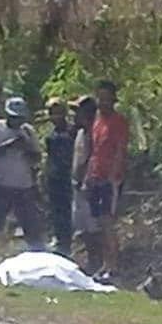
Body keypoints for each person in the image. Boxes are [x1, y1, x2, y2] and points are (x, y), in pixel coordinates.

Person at [0, 96, 45, 260]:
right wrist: (9, 145)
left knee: (31, 226)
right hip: (0, 184)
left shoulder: (28, 131)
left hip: (23, 186)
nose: (17, 121)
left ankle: (40, 260)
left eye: (20, 118)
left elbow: (37, 158)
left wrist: (27, 147)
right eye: (14, 117)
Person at [85, 81, 129, 283]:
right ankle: (105, 263)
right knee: (100, 224)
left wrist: (113, 177)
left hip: (109, 180)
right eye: (100, 98)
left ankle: (114, 267)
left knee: (108, 222)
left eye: (106, 98)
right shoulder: (96, 120)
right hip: (95, 176)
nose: (103, 102)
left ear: (113, 99)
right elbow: (94, 150)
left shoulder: (118, 121)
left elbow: (120, 149)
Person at [71, 96, 101, 274]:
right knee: (82, 227)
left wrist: (86, 180)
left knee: (93, 227)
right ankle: (91, 261)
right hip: (77, 184)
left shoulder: (94, 132)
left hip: (88, 185)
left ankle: (97, 262)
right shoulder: (80, 132)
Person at [45, 98, 75, 256]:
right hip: (54, 177)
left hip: (68, 178)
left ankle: (67, 245)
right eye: (52, 113)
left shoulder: (72, 131)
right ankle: (59, 241)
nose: (55, 116)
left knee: (67, 212)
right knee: (56, 211)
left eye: (58, 112)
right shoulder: (51, 135)